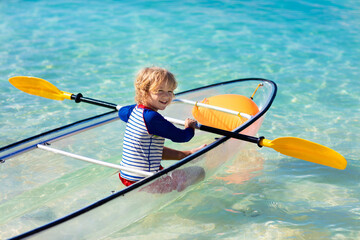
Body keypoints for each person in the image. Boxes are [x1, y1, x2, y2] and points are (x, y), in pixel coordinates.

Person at [118, 66, 205, 187]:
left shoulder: (134, 111)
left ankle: (187, 154)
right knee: (200, 172)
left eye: (170, 91)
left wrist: (142, 100)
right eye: (160, 91)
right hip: (145, 181)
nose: (166, 96)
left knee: (151, 146)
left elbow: (121, 111)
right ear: (144, 91)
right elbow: (181, 137)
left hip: (125, 175)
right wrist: (189, 127)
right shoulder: (152, 118)